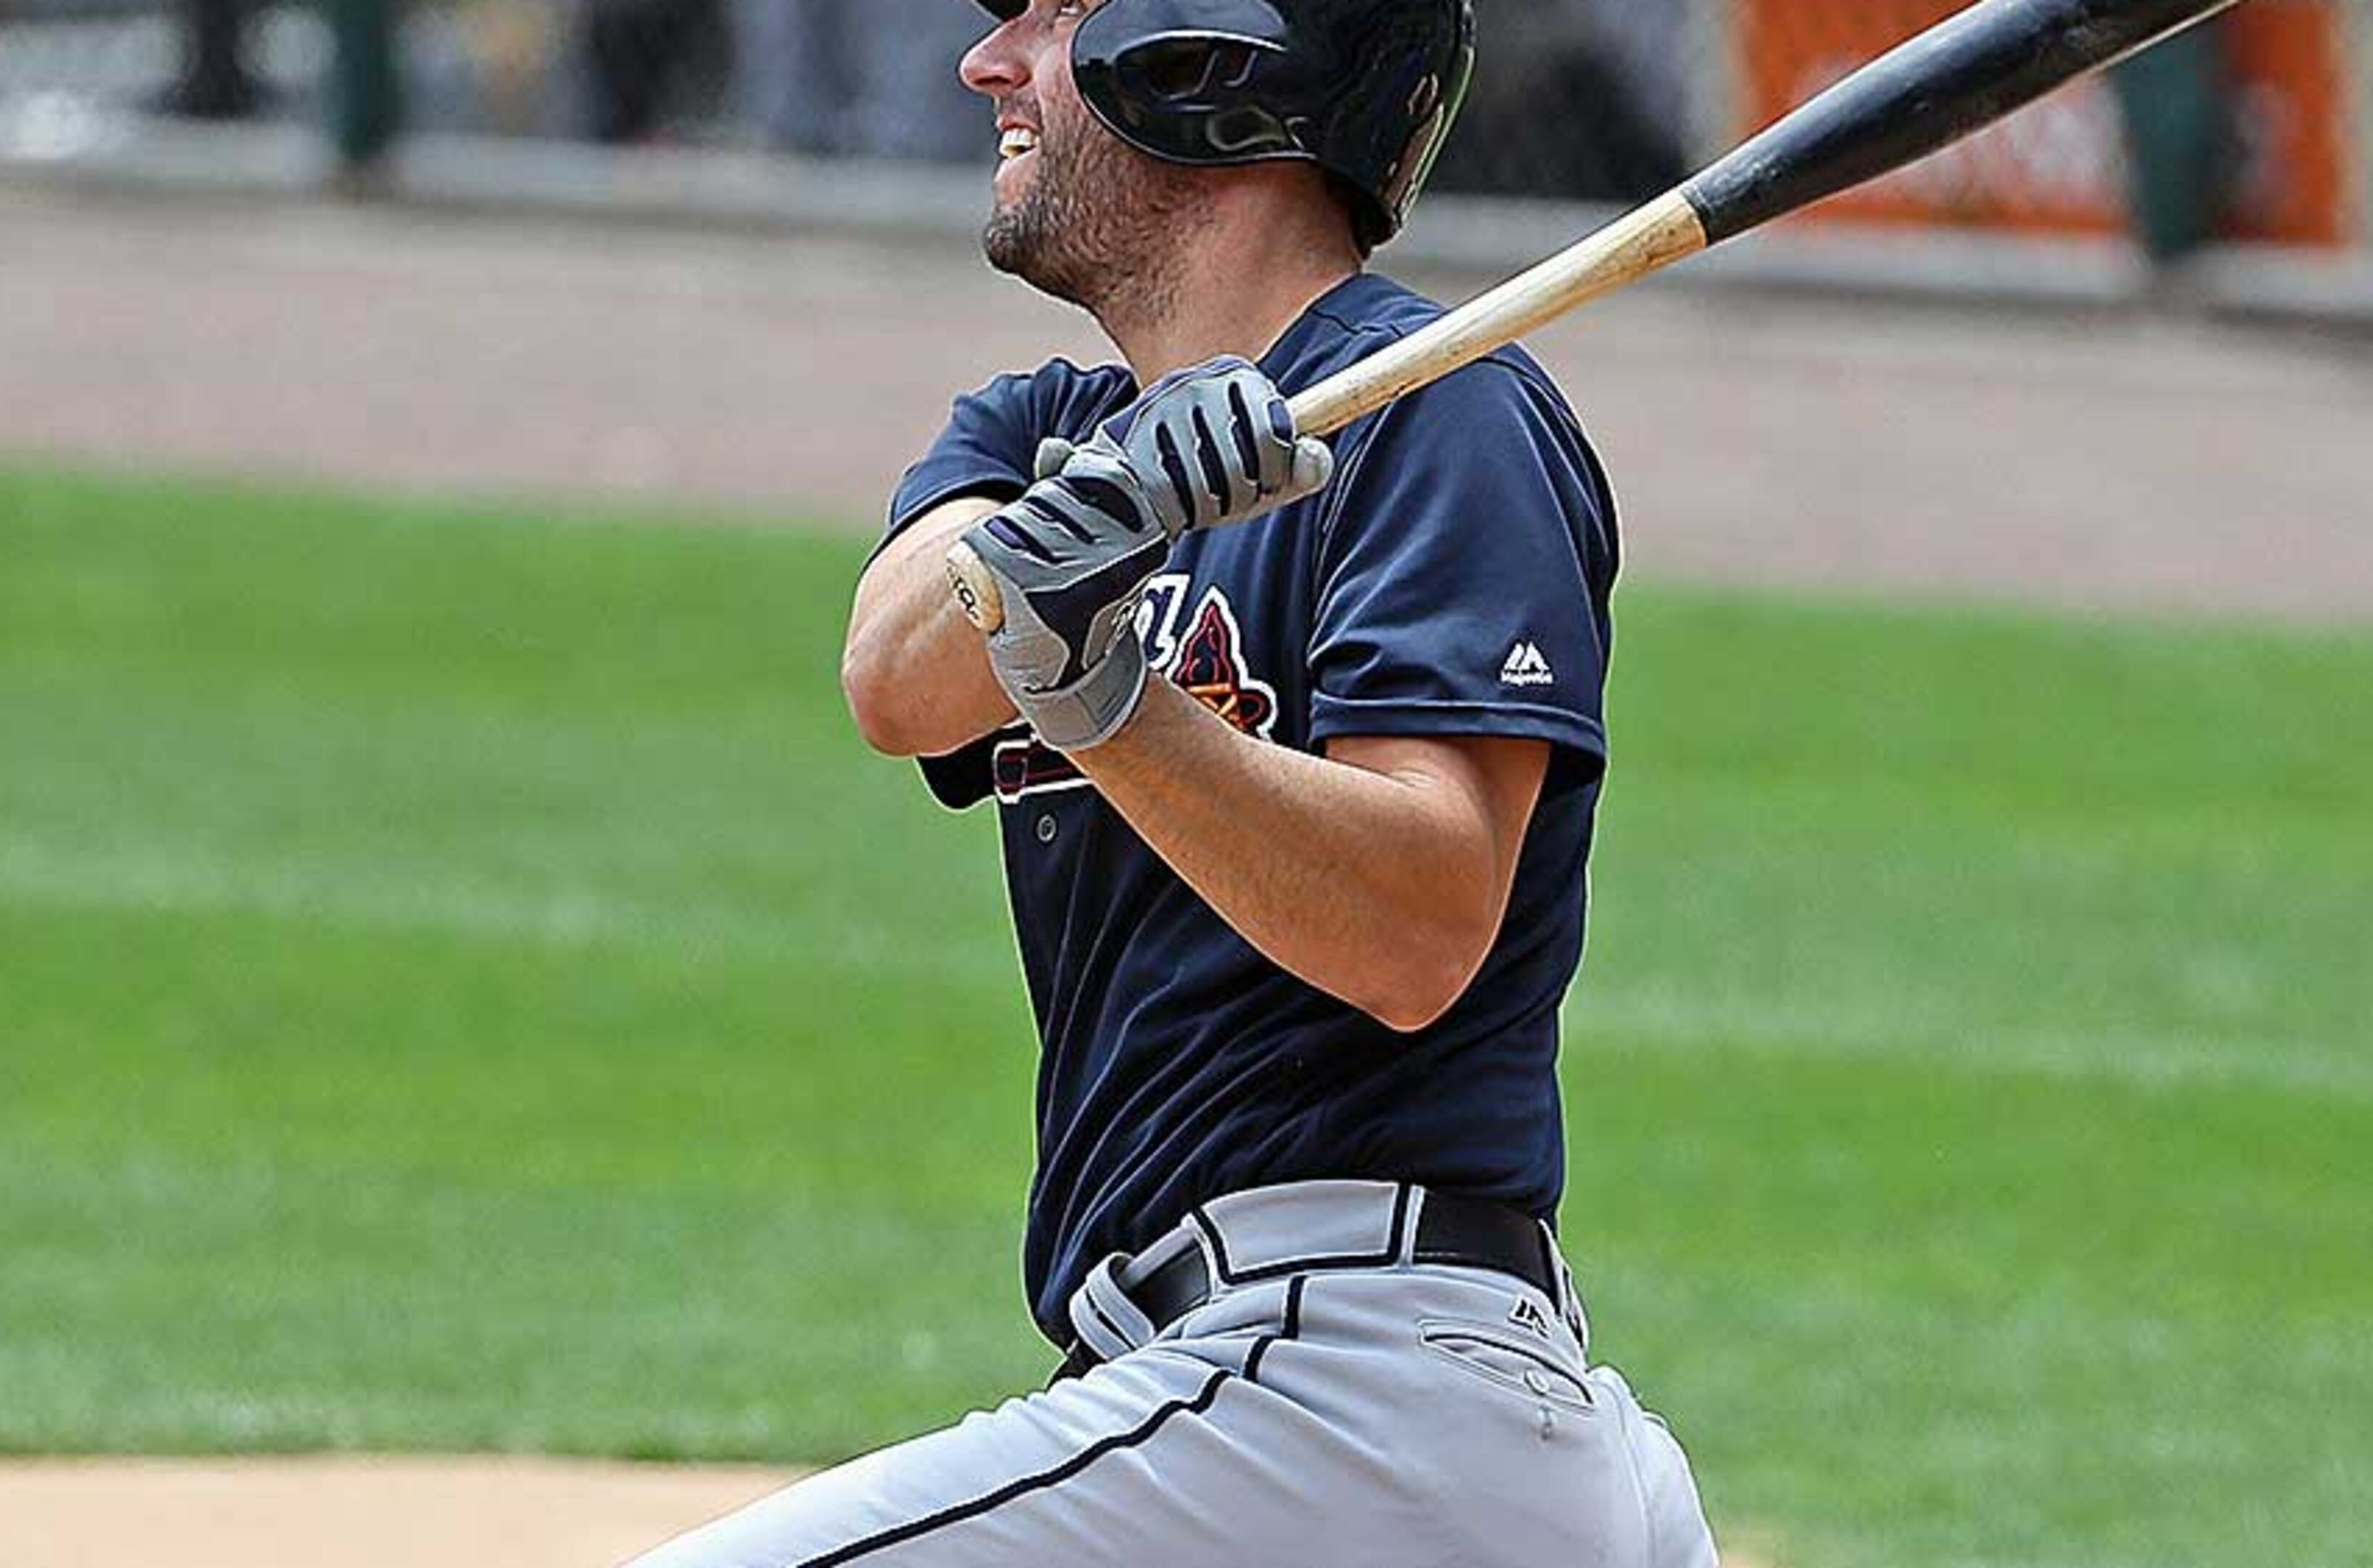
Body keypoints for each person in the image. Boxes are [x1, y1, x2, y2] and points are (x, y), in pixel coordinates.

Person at [631, 2, 1719, 1563]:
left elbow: (1416, 929)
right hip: (1251, 1414)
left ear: (1202, 53)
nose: (986, 66)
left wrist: (1108, 701)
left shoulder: (1446, 416)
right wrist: (1112, 504)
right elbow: (895, 674)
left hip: (1355, 1393)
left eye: (1050, 20)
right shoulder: (1035, 431)